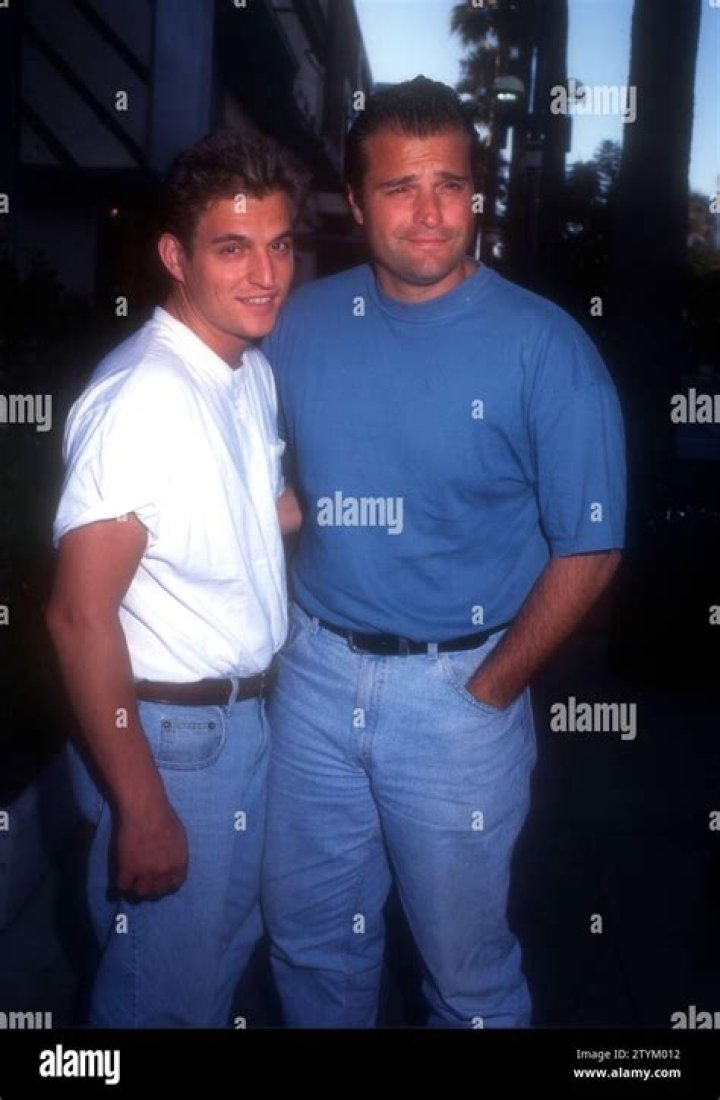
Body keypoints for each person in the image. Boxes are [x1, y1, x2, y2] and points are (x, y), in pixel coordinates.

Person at [260, 76, 626, 1028]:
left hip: (457, 700)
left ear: (475, 195)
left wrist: (490, 692)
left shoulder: (545, 348)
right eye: (399, 188)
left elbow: (591, 546)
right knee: (309, 945)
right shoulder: (297, 324)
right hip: (311, 680)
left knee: (467, 983)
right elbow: (271, 488)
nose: (429, 214)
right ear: (355, 201)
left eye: (450, 185)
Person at [46, 128, 307, 1027]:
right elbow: (78, 616)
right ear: (175, 256)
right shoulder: (143, 397)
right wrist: (142, 802)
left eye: (280, 245)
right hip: (170, 737)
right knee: (159, 999)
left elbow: (271, 513)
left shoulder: (246, 369)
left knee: (216, 964)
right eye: (232, 249)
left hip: (245, 719)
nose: (266, 274)